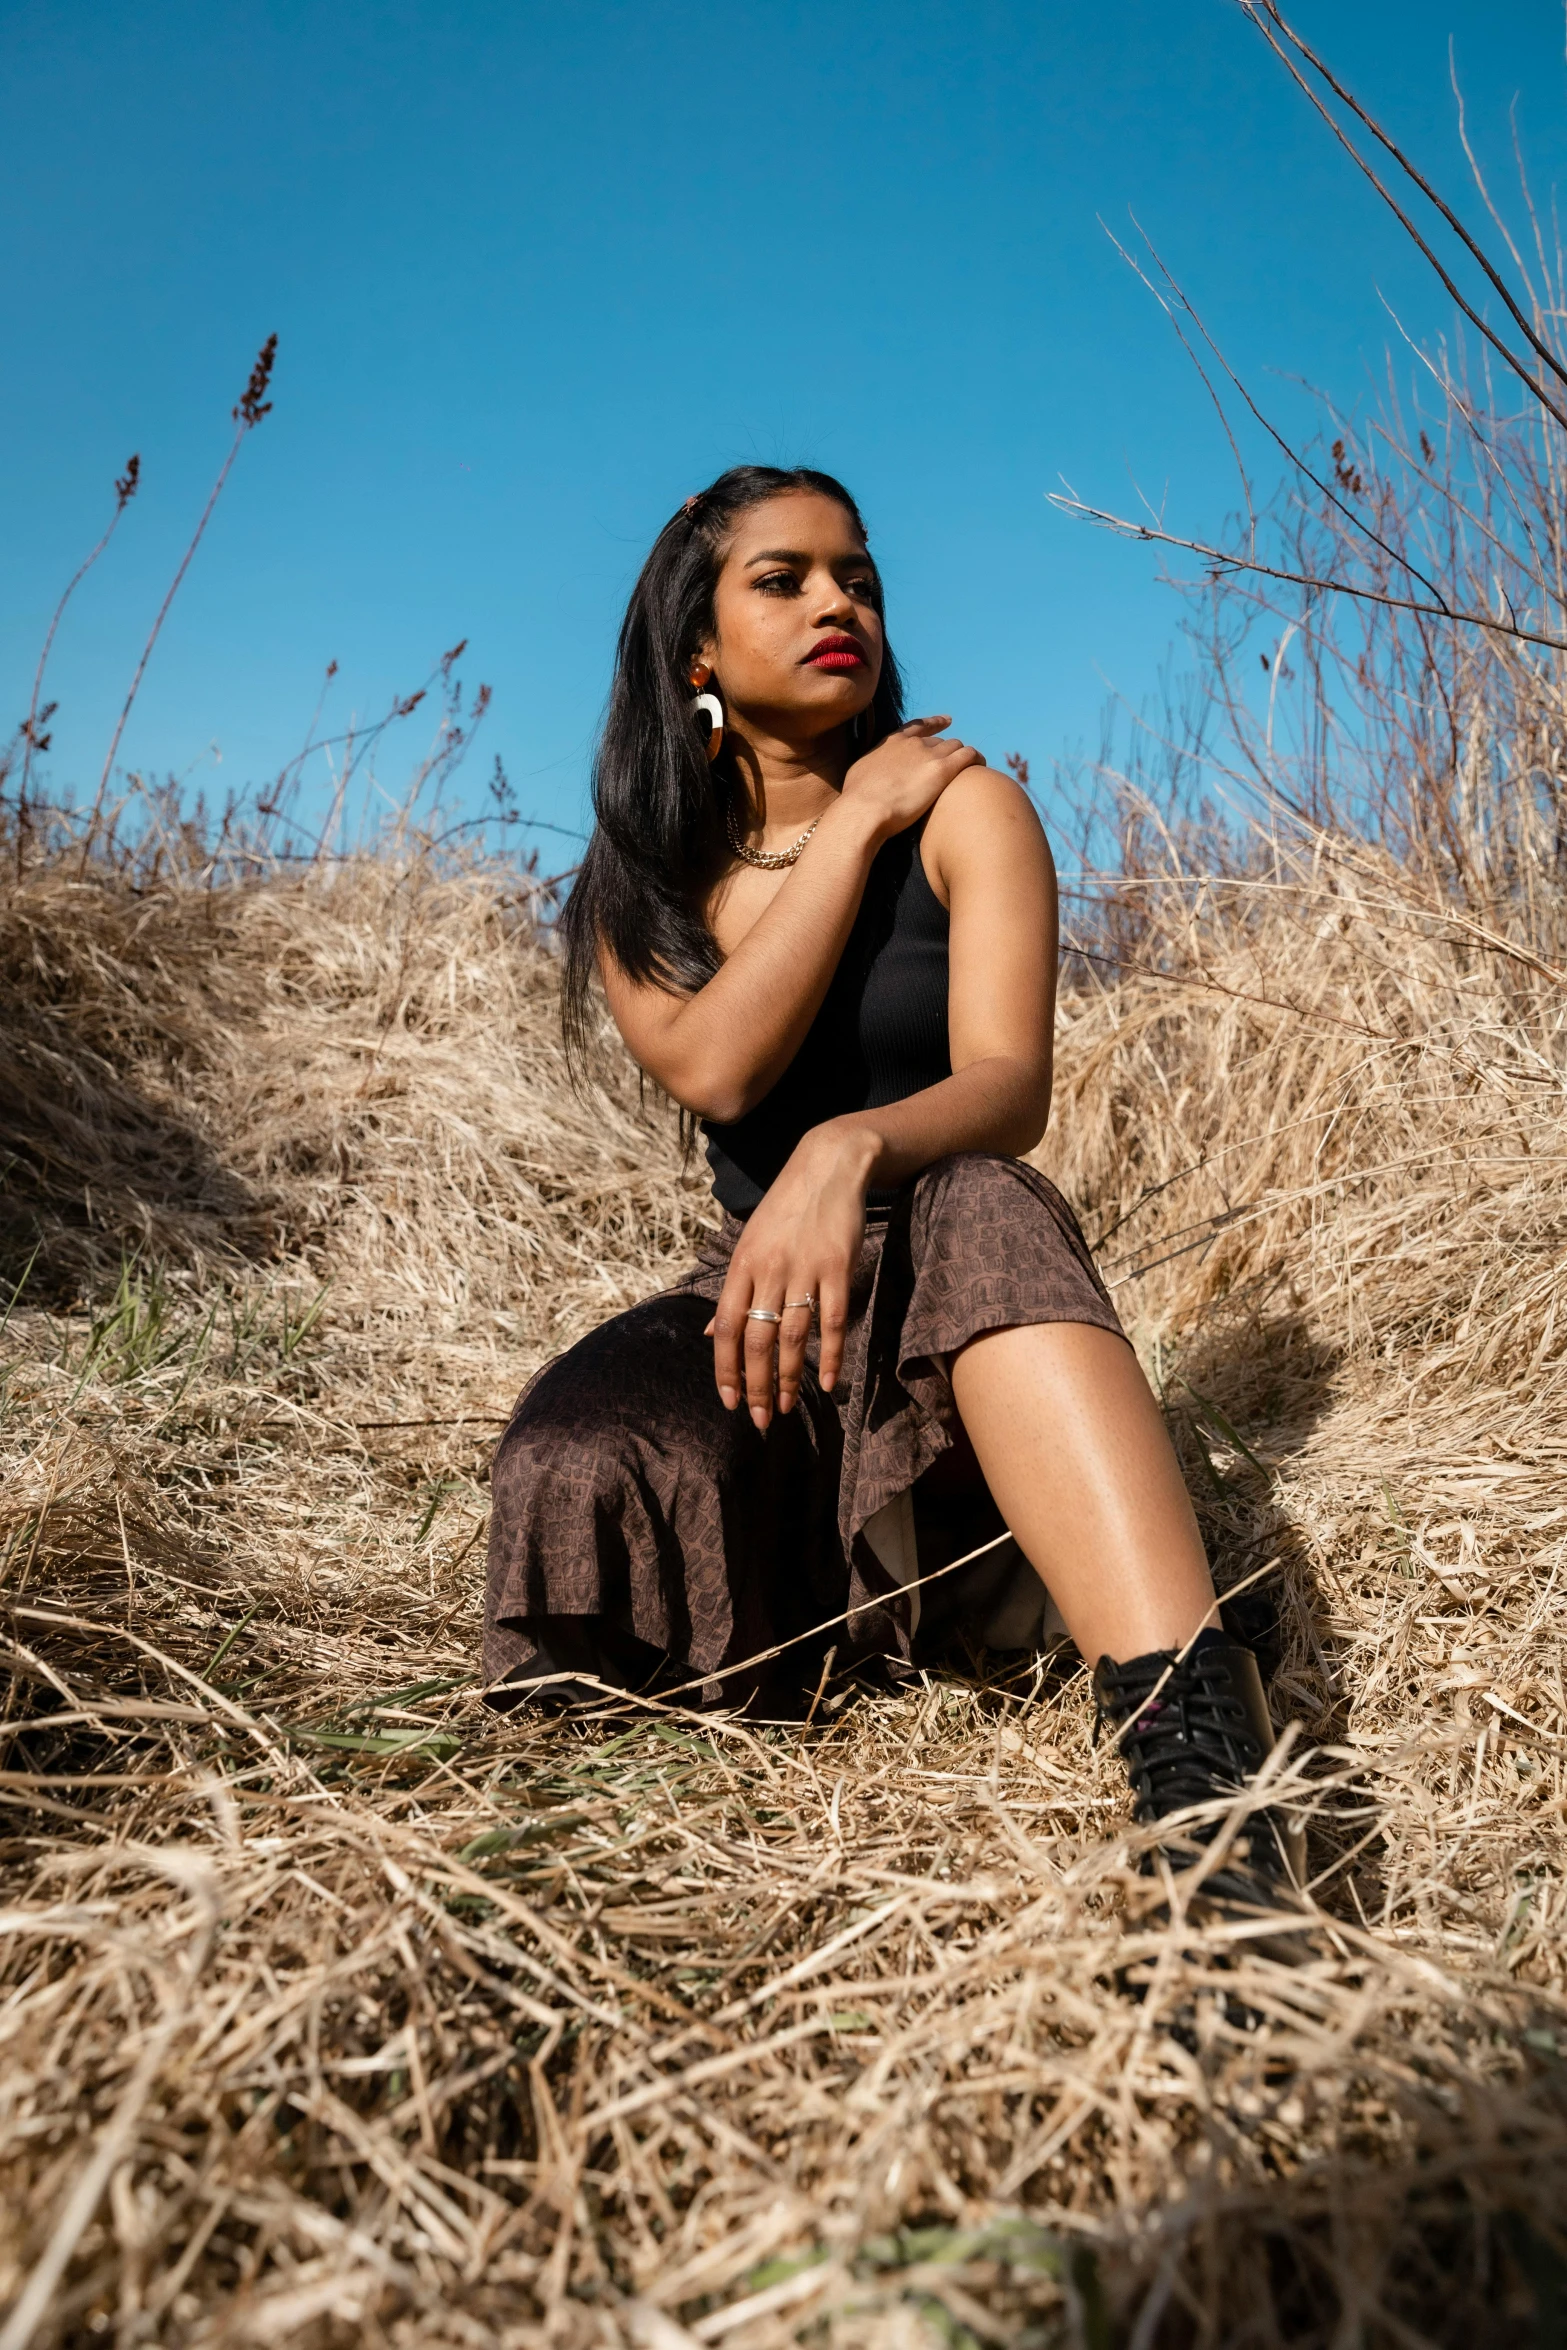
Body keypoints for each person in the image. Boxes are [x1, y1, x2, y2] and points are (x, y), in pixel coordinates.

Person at [484, 465, 1301, 1914]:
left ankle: (1208, 1794)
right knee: (573, 1450)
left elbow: (1007, 1083)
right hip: (772, 1301)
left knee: (982, 1194)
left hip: (958, 1271)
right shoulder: (643, 879)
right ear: (696, 650)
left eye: (855, 575)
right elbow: (722, 1070)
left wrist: (850, 1146)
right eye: (782, 579)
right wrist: (852, 819)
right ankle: (816, 1651)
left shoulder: (971, 810)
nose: (835, 602)